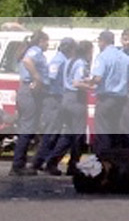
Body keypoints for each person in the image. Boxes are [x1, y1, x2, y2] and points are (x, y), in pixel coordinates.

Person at [43, 40, 93, 176]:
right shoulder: (82, 63)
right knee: (78, 136)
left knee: (67, 135)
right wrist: (92, 87)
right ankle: (73, 165)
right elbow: (77, 82)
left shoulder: (70, 61)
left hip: (66, 98)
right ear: (87, 51)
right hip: (76, 100)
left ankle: (52, 162)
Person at [32, 37, 75, 174]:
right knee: (51, 132)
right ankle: (38, 162)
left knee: (54, 133)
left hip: (58, 99)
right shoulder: (59, 60)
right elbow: (50, 77)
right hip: (54, 99)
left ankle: (44, 162)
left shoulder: (63, 59)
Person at [10, 30, 50, 176]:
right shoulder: (35, 51)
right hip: (30, 93)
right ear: (41, 41)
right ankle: (18, 165)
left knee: (26, 127)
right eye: (47, 41)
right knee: (28, 128)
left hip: (25, 91)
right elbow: (28, 62)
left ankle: (18, 163)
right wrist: (37, 77)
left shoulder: (28, 50)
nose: (48, 44)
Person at [87, 30, 129, 155]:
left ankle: (102, 159)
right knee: (114, 131)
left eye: (99, 41)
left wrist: (89, 82)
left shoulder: (103, 56)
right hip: (121, 100)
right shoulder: (124, 57)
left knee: (102, 131)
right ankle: (114, 160)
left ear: (103, 41)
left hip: (106, 99)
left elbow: (98, 78)